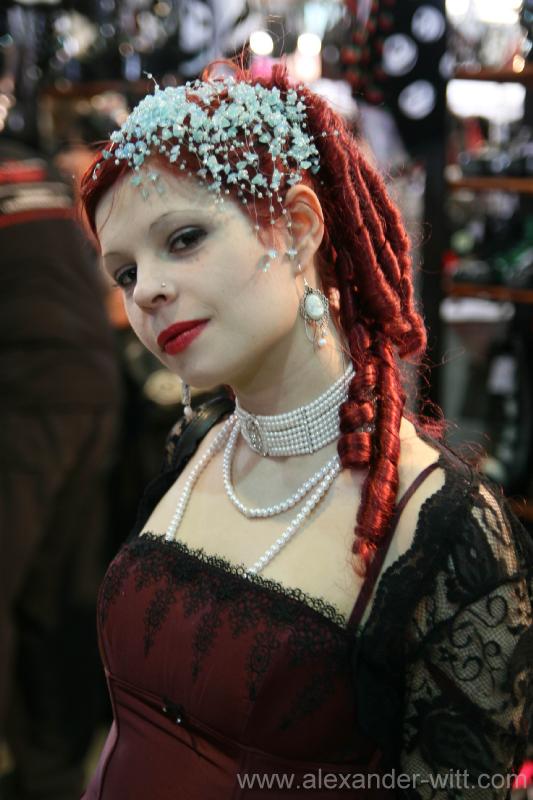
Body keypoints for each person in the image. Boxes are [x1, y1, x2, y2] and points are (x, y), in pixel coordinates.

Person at [79, 63, 533, 799]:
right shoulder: (194, 450)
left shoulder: (445, 529)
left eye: (184, 238)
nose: (149, 291)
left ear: (296, 228)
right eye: (124, 273)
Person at [0, 137, 120, 800]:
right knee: (57, 593)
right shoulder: (39, 171)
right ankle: (52, 774)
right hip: (95, 386)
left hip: (25, 396)